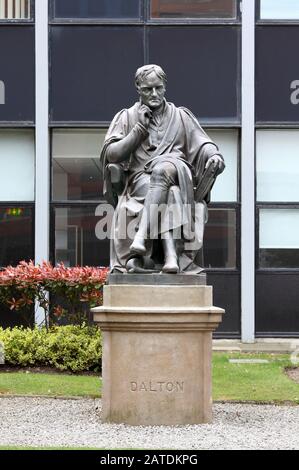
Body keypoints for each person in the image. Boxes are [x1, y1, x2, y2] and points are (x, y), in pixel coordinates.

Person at [100, 64, 224, 274]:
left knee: (164, 168)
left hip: (178, 171)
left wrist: (214, 155)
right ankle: (171, 257)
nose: (154, 93)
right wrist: (139, 130)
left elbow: (202, 143)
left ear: (165, 86)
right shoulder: (127, 117)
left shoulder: (181, 116)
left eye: (158, 87)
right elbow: (112, 154)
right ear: (138, 88)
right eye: (148, 89)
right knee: (171, 192)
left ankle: (141, 238)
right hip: (141, 181)